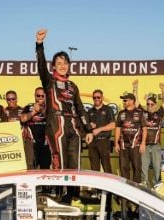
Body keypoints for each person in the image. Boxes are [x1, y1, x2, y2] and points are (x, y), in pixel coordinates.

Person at [35, 29, 93, 170]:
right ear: (53, 66)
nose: (62, 66)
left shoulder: (72, 86)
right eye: (59, 63)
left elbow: (80, 109)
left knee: (75, 163)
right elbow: (41, 65)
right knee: (60, 161)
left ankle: (74, 192)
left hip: (73, 125)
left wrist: (89, 130)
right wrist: (39, 44)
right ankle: (62, 192)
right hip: (56, 124)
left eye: (65, 63)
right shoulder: (49, 81)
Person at [133, 81, 164, 186]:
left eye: (152, 104)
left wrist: (163, 90)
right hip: (144, 146)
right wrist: (135, 88)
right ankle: (145, 187)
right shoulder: (143, 113)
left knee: (157, 168)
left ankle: (156, 186)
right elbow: (136, 102)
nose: (149, 106)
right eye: (148, 104)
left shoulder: (159, 114)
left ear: (155, 105)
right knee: (144, 168)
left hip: (156, 146)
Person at [114, 92, 147, 183]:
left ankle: (136, 191)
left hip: (135, 146)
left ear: (132, 101)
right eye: (123, 100)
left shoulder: (139, 113)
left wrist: (143, 143)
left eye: (125, 100)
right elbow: (117, 128)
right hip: (123, 145)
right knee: (124, 168)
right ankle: (125, 190)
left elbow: (144, 129)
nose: (123, 102)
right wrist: (116, 143)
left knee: (137, 168)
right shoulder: (121, 113)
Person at [21, 87, 51, 169]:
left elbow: (51, 118)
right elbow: (23, 119)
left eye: (42, 96)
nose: (40, 98)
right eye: (38, 95)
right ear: (35, 96)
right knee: (31, 168)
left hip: (46, 144)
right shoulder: (28, 107)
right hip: (32, 144)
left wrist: (40, 110)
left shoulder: (50, 108)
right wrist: (33, 112)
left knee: (45, 169)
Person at [87, 89, 115, 173]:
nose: (96, 99)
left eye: (98, 97)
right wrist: (89, 124)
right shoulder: (90, 111)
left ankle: (109, 186)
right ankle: (96, 186)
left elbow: (113, 125)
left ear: (102, 98)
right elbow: (85, 126)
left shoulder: (108, 109)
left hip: (103, 141)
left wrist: (99, 129)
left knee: (106, 167)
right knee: (94, 168)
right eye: (94, 97)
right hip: (92, 142)